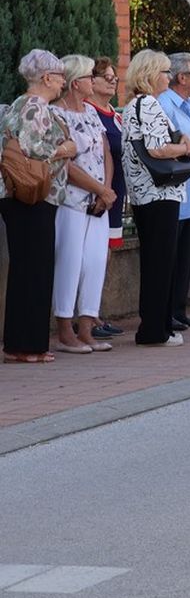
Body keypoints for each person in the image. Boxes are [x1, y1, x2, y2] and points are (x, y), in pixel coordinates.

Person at [1, 49, 75, 363]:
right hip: (33, 196)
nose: (63, 83)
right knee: (34, 269)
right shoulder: (34, 105)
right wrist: (66, 148)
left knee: (29, 268)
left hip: (27, 197)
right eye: (60, 77)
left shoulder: (23, 104)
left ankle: (25, 344)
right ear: (46, 78)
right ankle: (27, 346)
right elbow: (33, 149)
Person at [120, 49, 190, 347]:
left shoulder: (132, 105)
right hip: (159, 191)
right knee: (161, 262)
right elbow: (157, 149)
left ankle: (155, 325)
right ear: (150, 74)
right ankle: (155, 330)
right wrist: (184, 150)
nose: (168, 76)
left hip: (143, 194)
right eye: (164, 71)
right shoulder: (149, 103)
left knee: (155, 261)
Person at [51, 55, 118, 353]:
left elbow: (105, 153)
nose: (95, 80)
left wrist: (106, 191)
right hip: (72, 201)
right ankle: (65, 331)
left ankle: (88, 328)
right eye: (91, 76)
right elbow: (64, 165)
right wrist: (100, 190)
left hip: (99, 203)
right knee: (69, 262)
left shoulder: (91, 112)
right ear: (76, 83)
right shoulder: (57, 114)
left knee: (94, 263)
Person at [157, 52, 190, 331]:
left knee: (186, 254)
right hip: (178, 192)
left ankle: (178, 308)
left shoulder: (188, 103)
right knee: (174, 254)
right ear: (181, 77)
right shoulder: (165, 104)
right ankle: (169, 310)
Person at [85, 57, 126, 340]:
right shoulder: (89, 112)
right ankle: (85, 316)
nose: (112, 81)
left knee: (106, 255)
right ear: (92, 81)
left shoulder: (115, 114)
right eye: (106, 77)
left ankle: (96, 311)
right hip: (97, 192)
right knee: (92, 255)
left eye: (115, 78)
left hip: (117, 192)